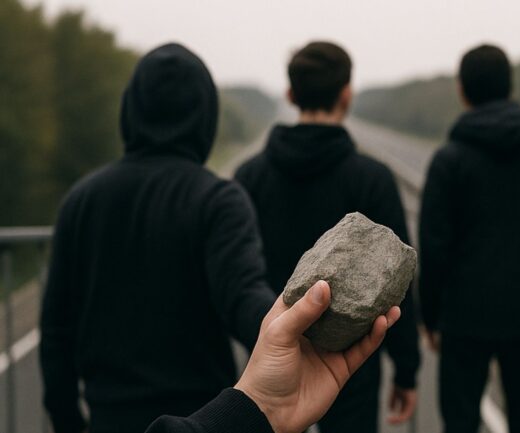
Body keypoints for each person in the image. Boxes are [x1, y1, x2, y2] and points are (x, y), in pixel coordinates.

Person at [40, 43, 276, 433]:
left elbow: (56, 330)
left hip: (108, 420)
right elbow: (244, 298)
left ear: (130, 110)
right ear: (206, 117)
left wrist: (67, 419)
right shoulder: (218, 200)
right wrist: (294, 330)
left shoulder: (80, 201)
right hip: (199, 421)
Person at [234, 41, 420, 433]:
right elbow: (400, 282)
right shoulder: (372, 179)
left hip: (272, 359)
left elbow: (236, 275)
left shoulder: (249, 177)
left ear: (290, 94)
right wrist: (407, 370)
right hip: (349, 364)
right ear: (346, 94)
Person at [419, 44, 520, 433]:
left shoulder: (449, 161)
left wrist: (431, 316)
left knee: (460, 420)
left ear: (462, 90)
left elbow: (434, 246)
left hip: (463, 316)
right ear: (510, 88)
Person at [145, 280, 402, 433]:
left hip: (304, 361)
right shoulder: (217, 199)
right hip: (316, 360)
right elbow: (240, 291)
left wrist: (264, 405)